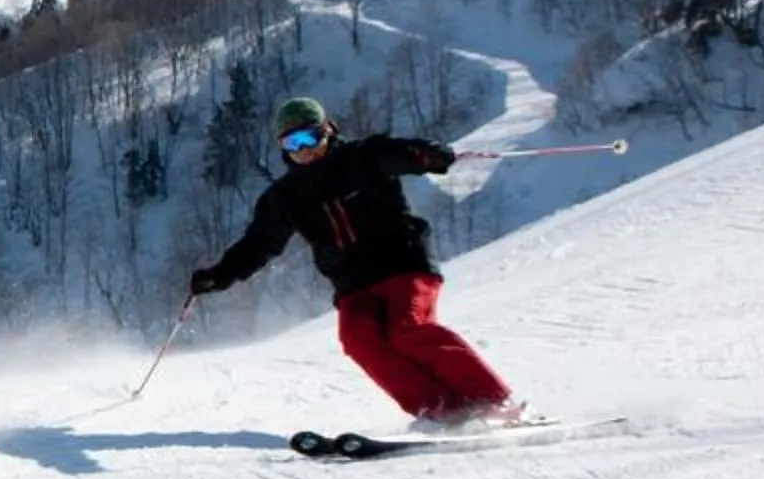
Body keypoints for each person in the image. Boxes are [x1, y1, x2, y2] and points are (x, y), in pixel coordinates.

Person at [188, 96, 520, 428]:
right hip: (352, 283)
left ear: (328, 130)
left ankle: (493, 399)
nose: (304, 150)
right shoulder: (285, 197)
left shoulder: (362, 158)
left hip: (402, 264)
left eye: (310, 137)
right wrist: (220, 275)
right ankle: (441, 410)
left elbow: (400, 154)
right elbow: (259, 244)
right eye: (292, 143)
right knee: (359, 341)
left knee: (408, 329)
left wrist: (426, 155)